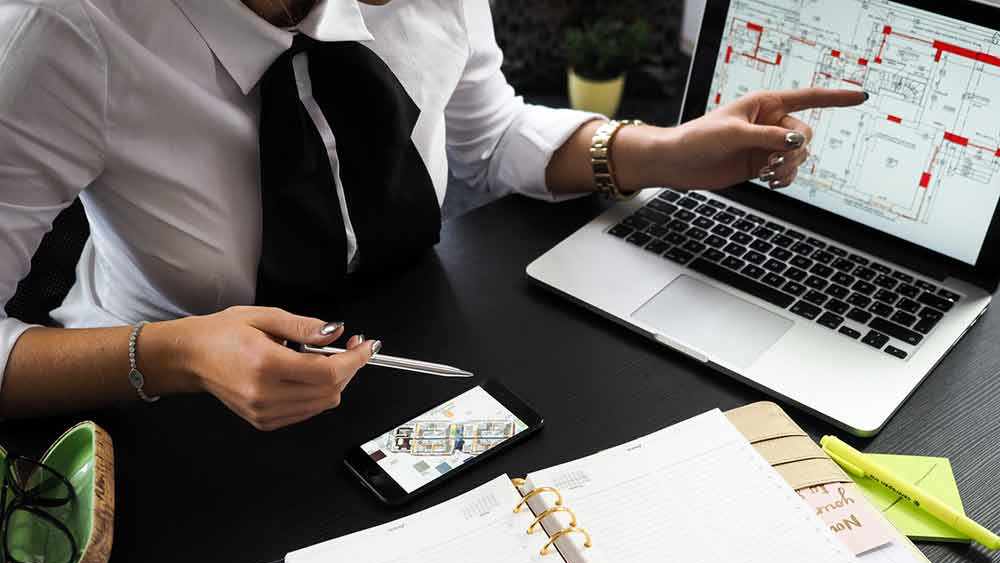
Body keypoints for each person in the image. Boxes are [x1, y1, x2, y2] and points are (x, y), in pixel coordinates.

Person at [0, 0, 864, 429]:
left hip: (408, 345)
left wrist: (658, 153)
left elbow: (487, 136)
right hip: (167, 413)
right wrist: (177, 354)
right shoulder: (59, 32)